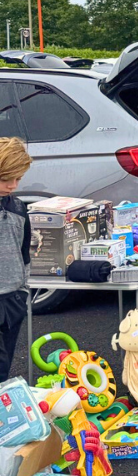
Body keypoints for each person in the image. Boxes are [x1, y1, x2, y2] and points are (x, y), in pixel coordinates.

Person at [0, 138, 32, 379]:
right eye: (5, 179)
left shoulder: (19, 208)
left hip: (12, 299)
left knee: (4, 370)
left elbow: (24, 253)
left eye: (18, 178)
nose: (12, 185)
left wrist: (23, 291)